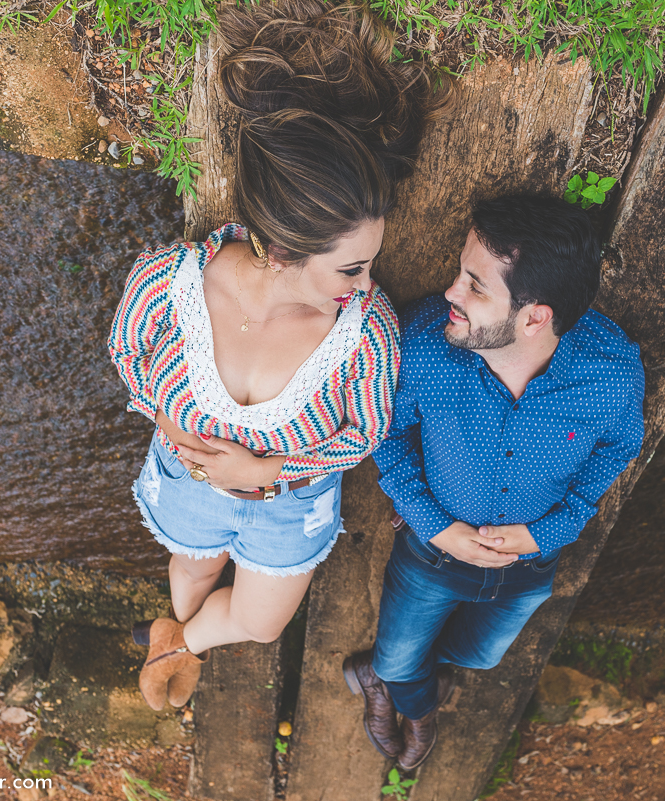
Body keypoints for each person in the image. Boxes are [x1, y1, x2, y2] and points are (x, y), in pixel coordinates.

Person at [108, 0, 446, 712]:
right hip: (188, 474)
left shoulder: (365, 330)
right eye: (351, 268)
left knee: (260, 622)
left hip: (288, 503)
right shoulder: (171, 283)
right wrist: (165, 423)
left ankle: (184, 644)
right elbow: (128, 352)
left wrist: (271, 470)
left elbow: (363, 429)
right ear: (285, 248)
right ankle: (180, 618)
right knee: (190, 573)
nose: (366, 284)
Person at [343, 194, 646, 770]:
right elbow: (386, 434)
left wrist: (554, 529)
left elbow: (619, 448)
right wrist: (436, 525)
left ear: (535, 317)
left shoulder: (609, 376)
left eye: (475, 286)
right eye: (462, 274)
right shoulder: (425, 346)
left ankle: (395, 680)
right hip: (430, 553)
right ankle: (410, 702)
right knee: (399, 661)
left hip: (530, 565)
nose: (450, 294)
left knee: (478, 659)